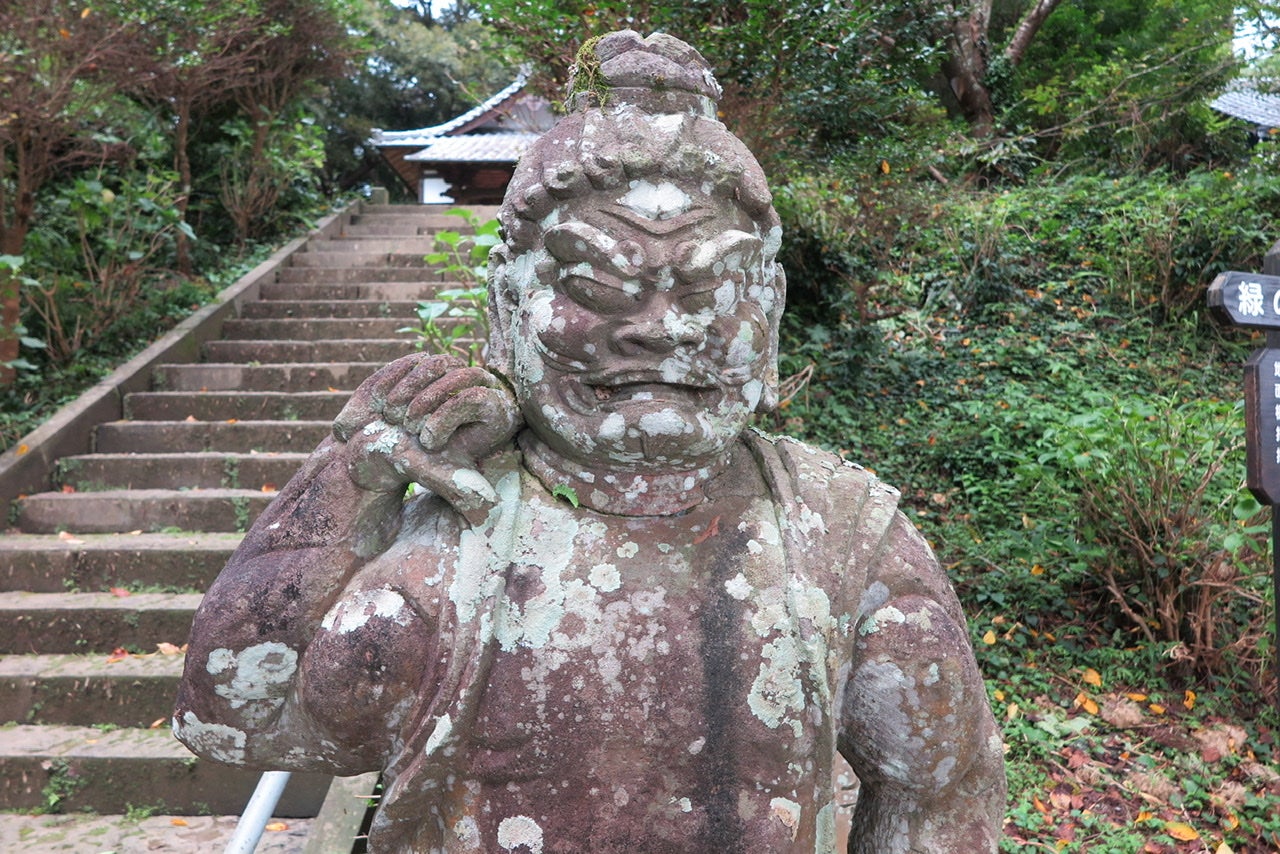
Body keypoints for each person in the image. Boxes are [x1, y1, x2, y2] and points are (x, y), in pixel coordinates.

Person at [175, 30, 1005, 853]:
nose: (661, 329)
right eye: (597, 281)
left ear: (773, 309)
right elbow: (237, 719)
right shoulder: (459, 538)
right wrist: (350, 475)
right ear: (507, 312)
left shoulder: (841, 538)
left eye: (715, 284)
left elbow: (942, 796)